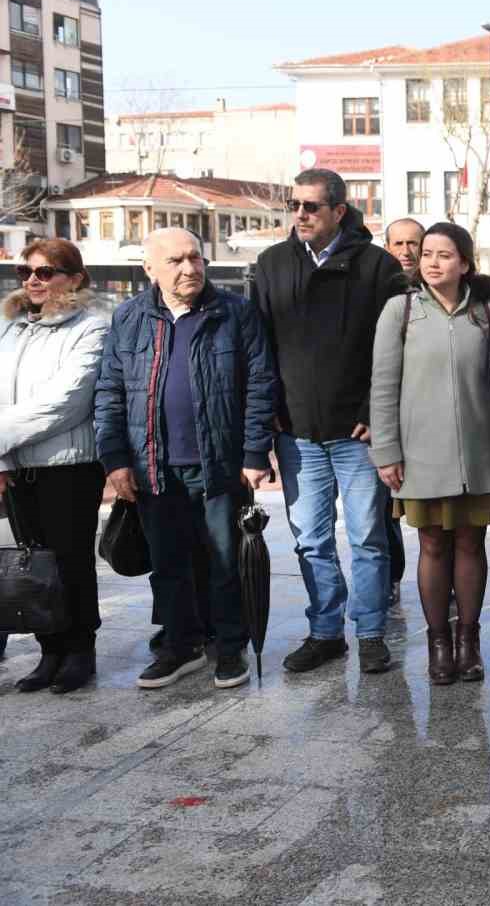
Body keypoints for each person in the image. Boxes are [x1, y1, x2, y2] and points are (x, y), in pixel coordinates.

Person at [96, 229, 276, 690]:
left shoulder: (234, 313)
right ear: (150, 269)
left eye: (196, 258)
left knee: (225, 562)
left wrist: (255, 452)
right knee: (168, 563)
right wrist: (115, 460)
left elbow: (260, 385)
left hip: (219, 464)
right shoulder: (130, 317)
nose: (190, 268)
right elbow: (110, 392)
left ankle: (230, 648)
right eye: (176, 260)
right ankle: (181, 645)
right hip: (152, 466)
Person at [253, 168, 409, 675]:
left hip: (357, 435)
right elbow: (259, 350)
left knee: (367, 538)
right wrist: (268, 416)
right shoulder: (272, 264)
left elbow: (396, 350)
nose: (300, 214)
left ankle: (369, 635)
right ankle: (325, 633)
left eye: (311, 206)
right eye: (294, 205)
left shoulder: (377, 266)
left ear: (339, 211)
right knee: (311, 540)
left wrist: (372, 411)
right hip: (297, 434)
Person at [370, 222, 490, 684]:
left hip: (477, 453)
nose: (431, 262)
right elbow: (383, 386)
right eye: (427, 254)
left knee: (470, 542)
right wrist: (386, 451)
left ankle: (469, 641)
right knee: (431, 544)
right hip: (420, 455)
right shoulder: (399, 310)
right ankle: (438, 644)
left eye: (444, 255)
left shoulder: (488, 311)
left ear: (464, 263)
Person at [0, 239, 107, 694]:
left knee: (70, 562)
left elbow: (63, 403)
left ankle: (80, 649)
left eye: (46, 272)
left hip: (69, 466)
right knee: (35, 565)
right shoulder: (12, 328)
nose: (32, 280)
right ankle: (50, 650)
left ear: (75, 277)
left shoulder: (94, 327)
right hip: (18, 464)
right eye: (29, 271)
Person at [380, 217, 425, 607]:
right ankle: (391, 577)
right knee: (385, 510)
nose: (406, 251)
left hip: (430, 422)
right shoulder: (379, 294)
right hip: (388, 418)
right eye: (398, 243)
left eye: (414, 243)